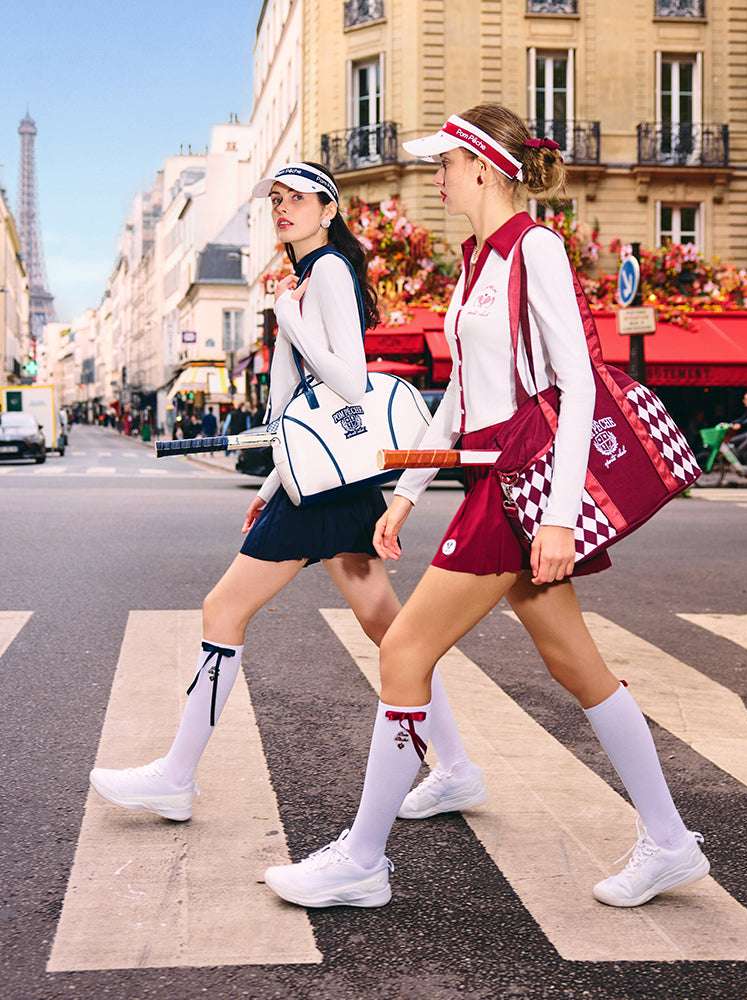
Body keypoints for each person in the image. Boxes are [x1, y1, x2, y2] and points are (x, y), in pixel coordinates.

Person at [264, 105, 710, 911]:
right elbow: (462, 397)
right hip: (490, 481)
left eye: (443, 165)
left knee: (403, 652)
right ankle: (673, 844)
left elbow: (578, 385)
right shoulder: (474, 262)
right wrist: (404, 493)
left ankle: (363, 859)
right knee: (578, 667)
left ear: (479, 166)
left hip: (519, 489)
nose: (435, 179)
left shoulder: (535, 249)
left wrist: (561, 516)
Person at [88, 161, 465, 830]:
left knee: (222, 608)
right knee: (392, 633)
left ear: (329, 209)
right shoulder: (308, 276)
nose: (283, 208)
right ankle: (459, 768)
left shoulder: (326, 275)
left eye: (298, 199)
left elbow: (348, 381)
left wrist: (289, 315)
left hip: (325, 489)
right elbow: (291, 409)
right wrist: (270, 482)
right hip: (323, 482)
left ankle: (176, 776)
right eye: (277, 200)